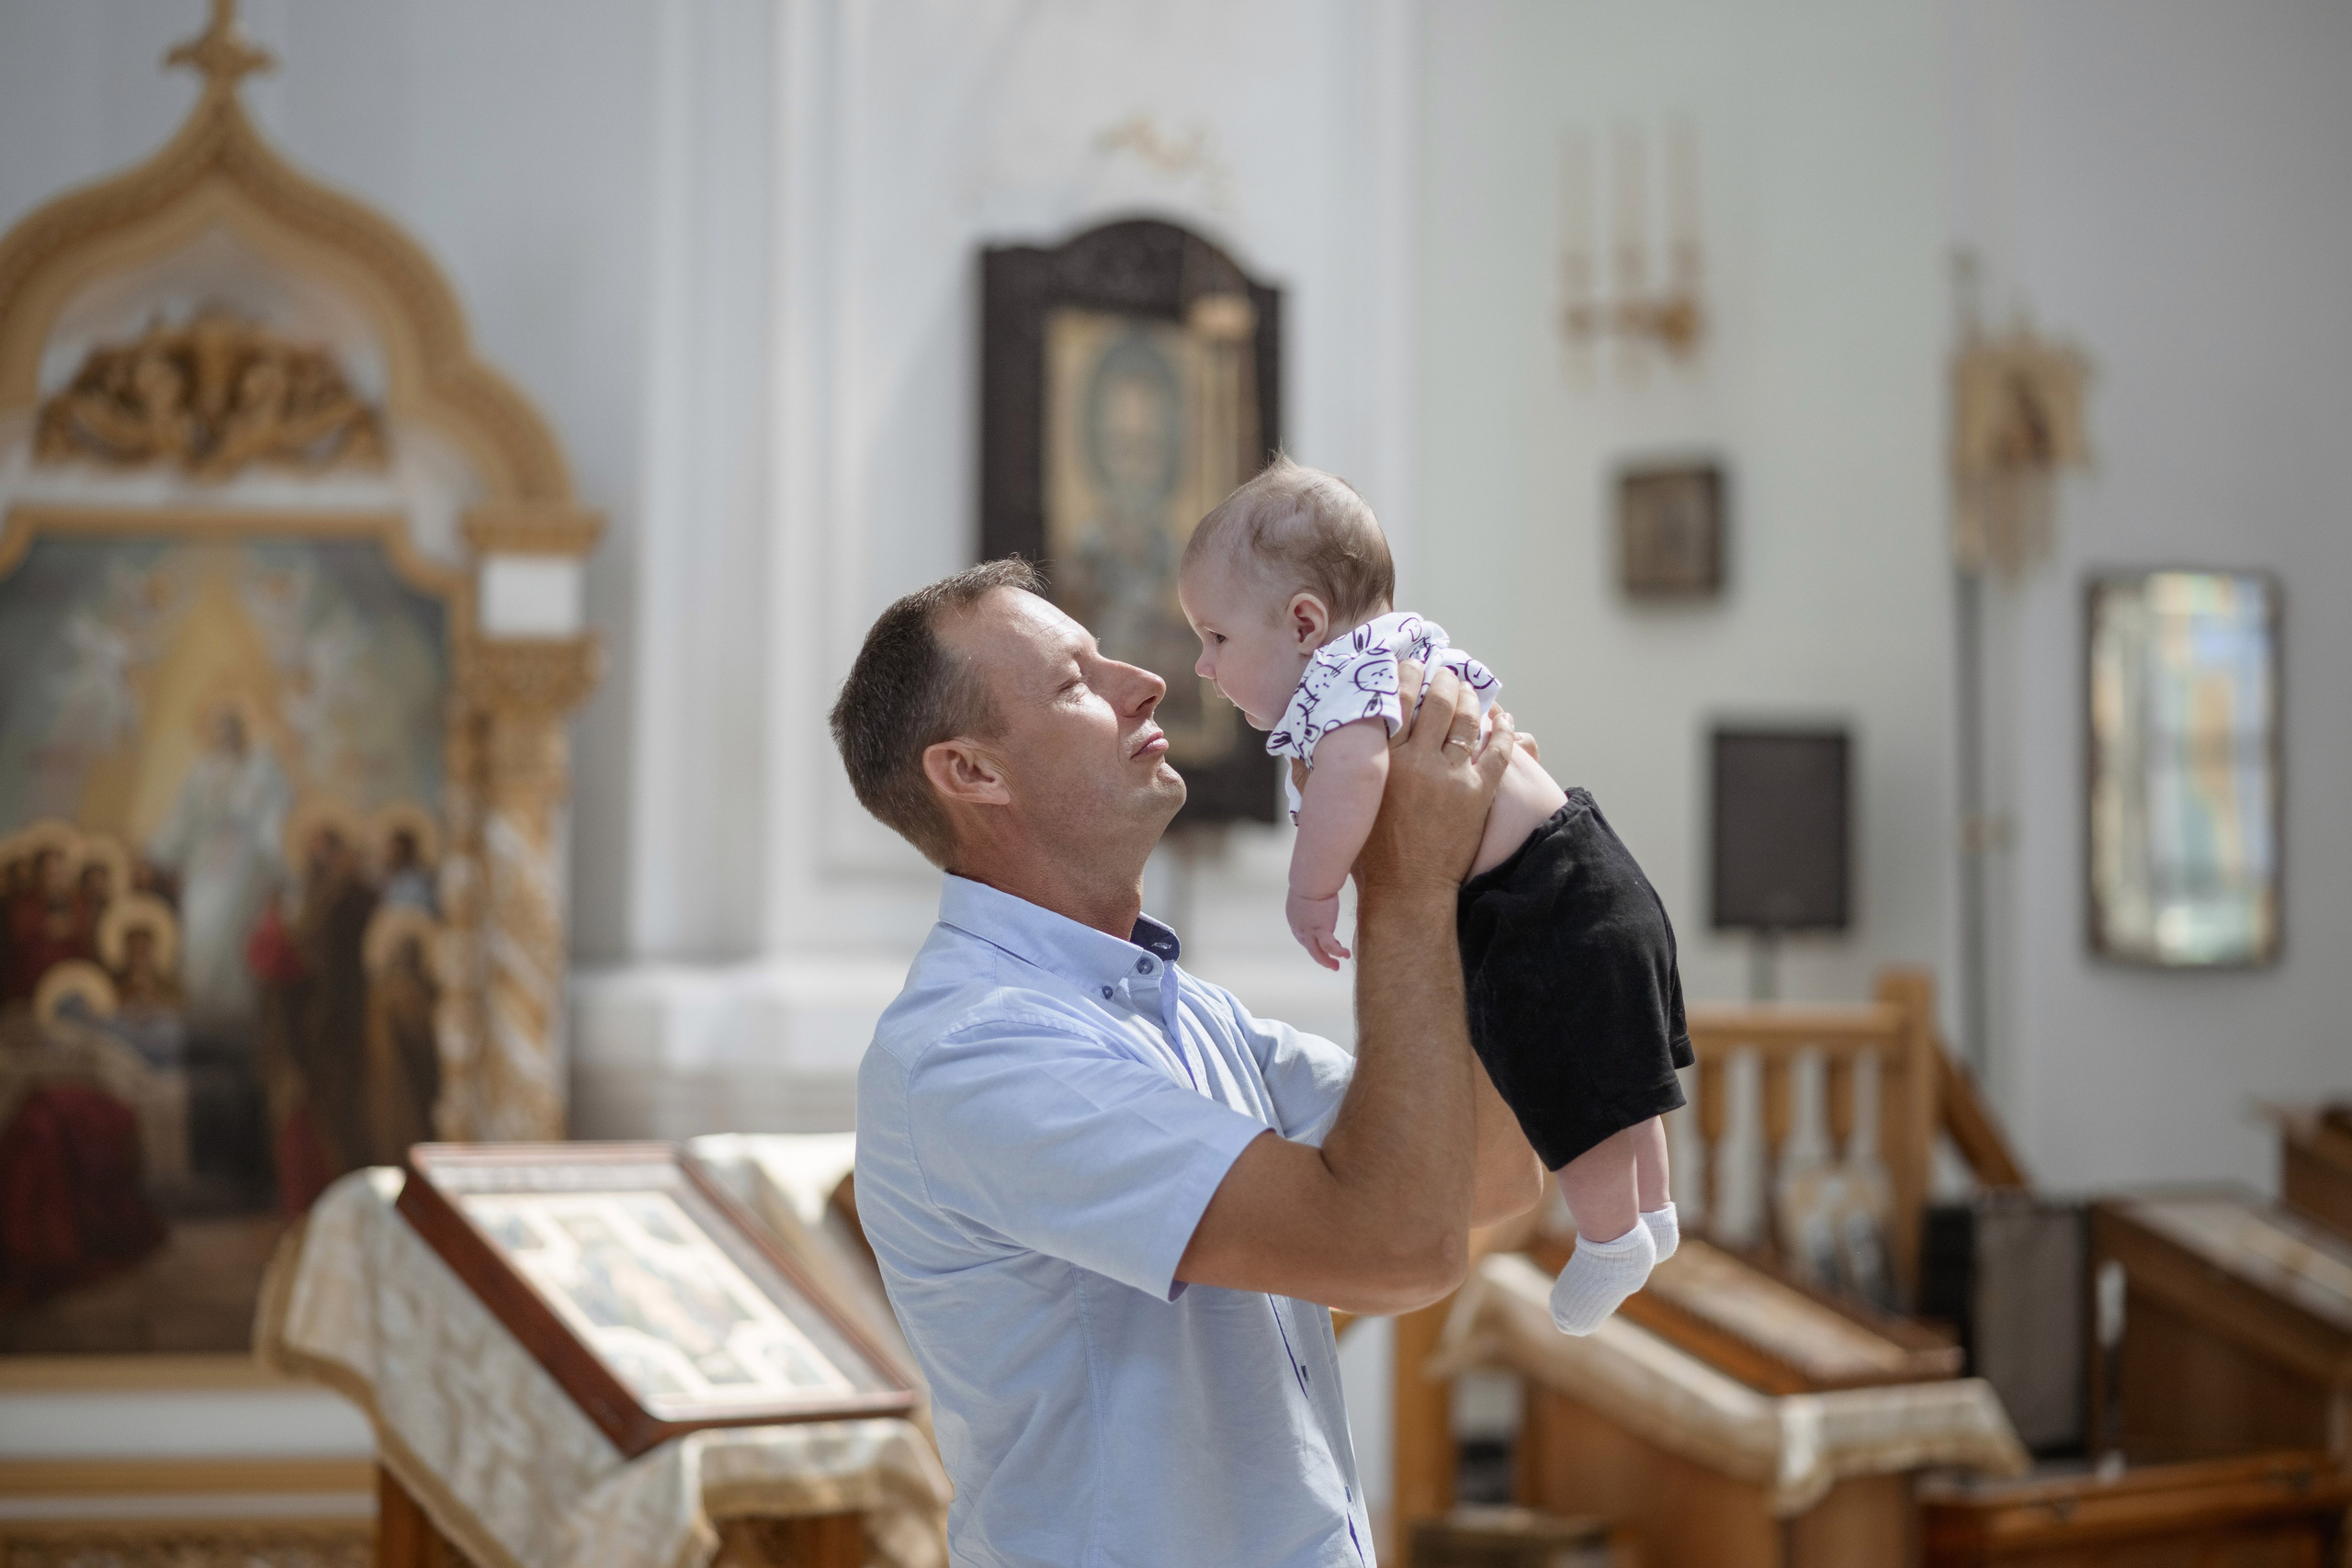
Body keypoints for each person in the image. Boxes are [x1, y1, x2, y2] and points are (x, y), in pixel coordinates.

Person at [831, 558, 1543, 1566]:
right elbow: (1395, 1247)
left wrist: (1487, 866)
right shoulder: (975, 1048)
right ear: (974, 773)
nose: (1146, 679)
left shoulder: (1183, 1006)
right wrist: (1404, 883)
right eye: (1076, 681)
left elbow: (1491, 1177)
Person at [1176, 457, 1690, 1337]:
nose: (1201, 665)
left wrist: (1312, 886)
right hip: (1590, 867)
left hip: (1536, 899)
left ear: (1305, 621)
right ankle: (1652, 1211)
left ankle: (1610, 1236)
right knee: (1621, 1070)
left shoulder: (1344, 691)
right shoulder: (1400, 655)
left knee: (1576, 1087)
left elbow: (1356, 776)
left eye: (1216, 638)